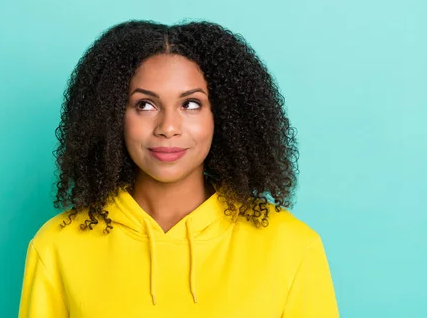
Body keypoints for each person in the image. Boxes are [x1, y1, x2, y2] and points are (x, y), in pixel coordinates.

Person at [17, 20, 339, 317]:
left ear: (222, 115)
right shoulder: (57, 248)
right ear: (114, 115)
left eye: (191, 104)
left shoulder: (292, 247)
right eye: (145, 105)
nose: (168, 127)